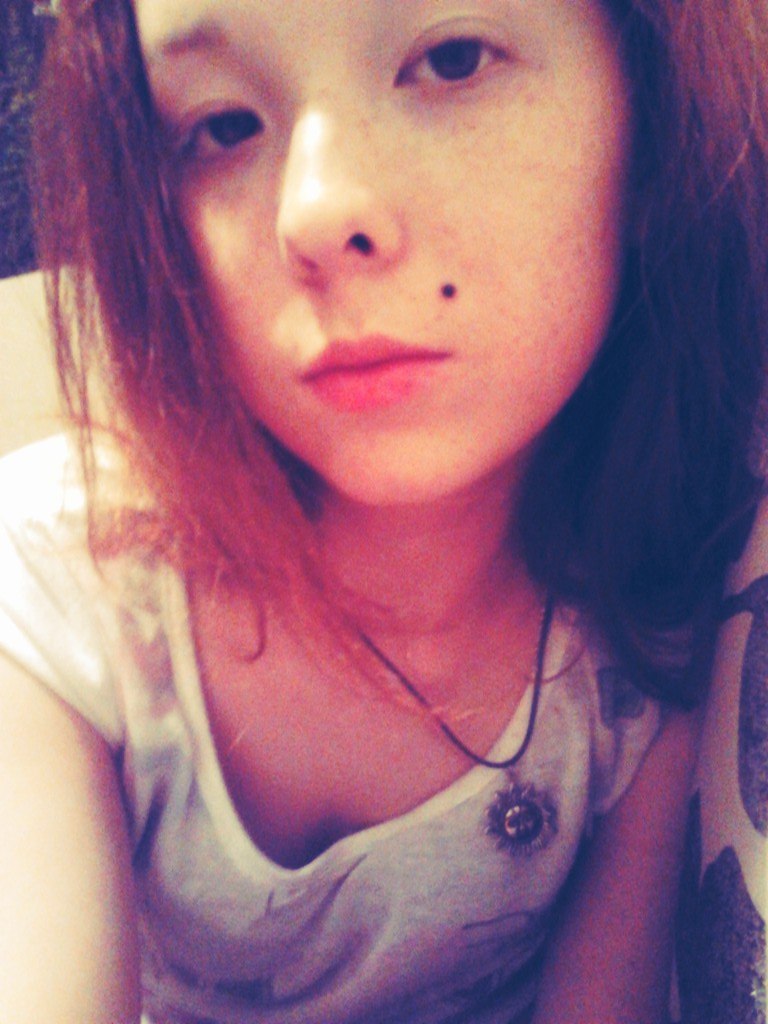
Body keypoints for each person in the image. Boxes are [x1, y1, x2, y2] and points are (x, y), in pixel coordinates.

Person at [1, 0, 766, 1021]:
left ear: (650, 118)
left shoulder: (642, 645)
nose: (315, 212)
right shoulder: (58, 602)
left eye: (451, 59)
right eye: (223, 125)